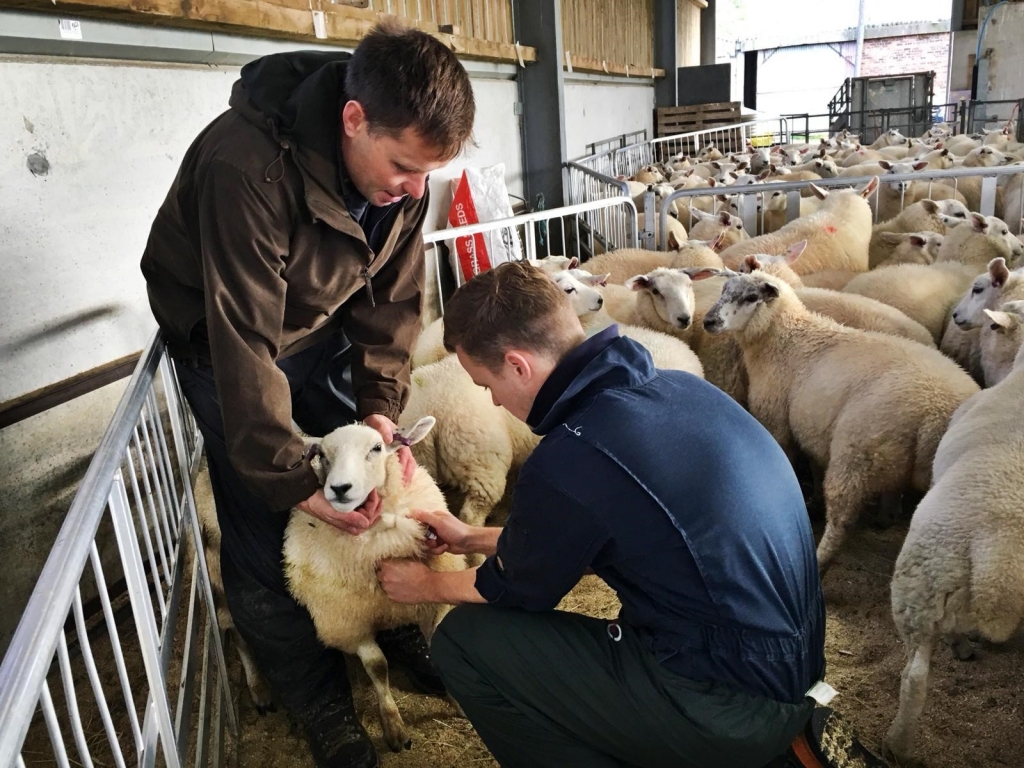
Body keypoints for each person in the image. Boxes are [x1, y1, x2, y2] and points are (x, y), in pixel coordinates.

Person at [139, 20, 475, 768]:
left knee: (369, 495)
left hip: (315, 326)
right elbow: (243, 340)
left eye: (430, 173)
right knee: (266, 524)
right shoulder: (244, 168)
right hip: (225, 342)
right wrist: (292, 479)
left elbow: (391, 301)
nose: (417, 191)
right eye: (403, 168)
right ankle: (317, 697)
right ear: (354, 119)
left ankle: (384, 631)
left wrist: (380, 410)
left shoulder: (402, 176)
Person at [376, 261, 828, 768]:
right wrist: (469, 537)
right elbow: (608, 533)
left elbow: (512, 590)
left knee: (464, 640)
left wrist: (422, 586)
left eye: (486, 384)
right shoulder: (681, 389)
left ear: (519, 366)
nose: (493, 401)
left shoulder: (574, 452)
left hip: (728, 706)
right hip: (792, 669)